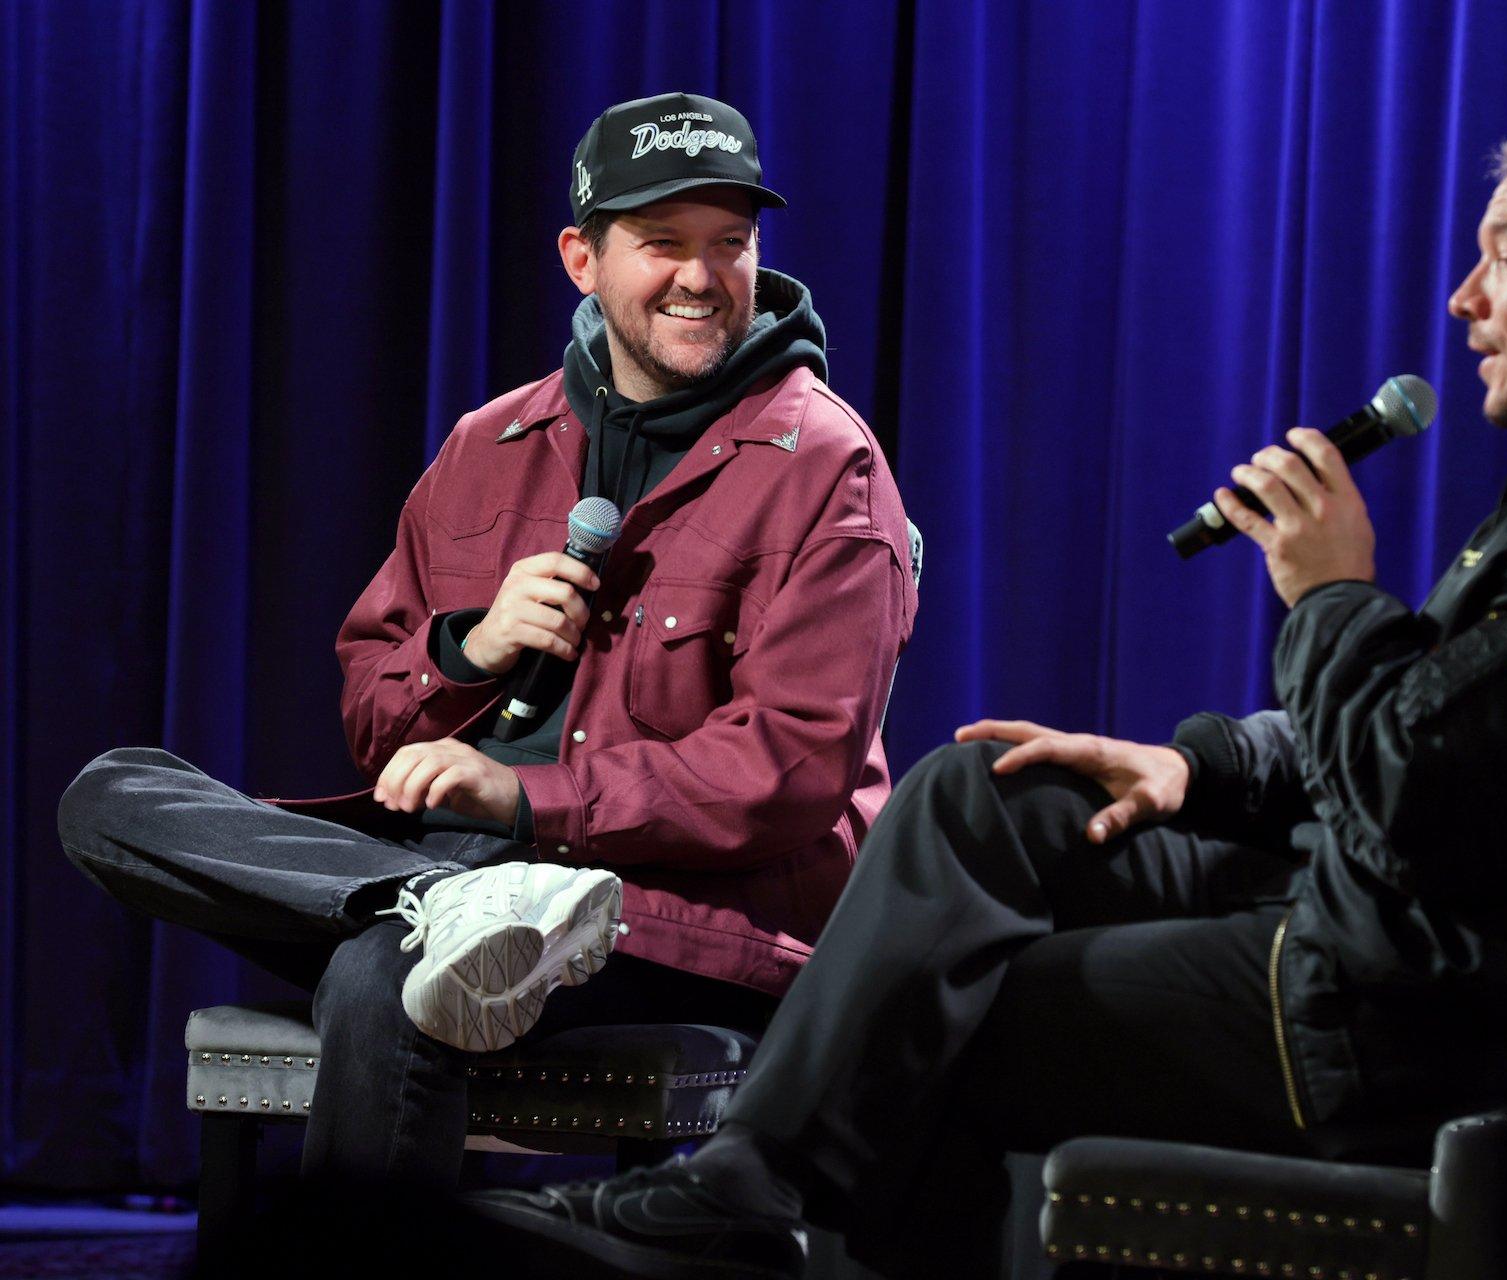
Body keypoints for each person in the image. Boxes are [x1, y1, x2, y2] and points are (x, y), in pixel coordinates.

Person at [475, 117, 1507, 1278]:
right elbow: (1450, 724)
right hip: (1362, 910)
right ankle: (746, 1183)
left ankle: (744, 1203)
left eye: (1506, 254)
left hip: (1386, 1003)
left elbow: (1432, 801)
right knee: (980, 798)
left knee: (946, 1020)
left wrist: (1328, 596)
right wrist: (1197, 768)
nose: (1462, 298)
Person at [56, 92, 917, 1189]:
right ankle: (434, 907)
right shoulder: (488, 444)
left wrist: (524, 802)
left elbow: (790, 767)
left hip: (674, 922)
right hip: (455, 871)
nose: (702, 278)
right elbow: (376, 709)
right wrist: (470, 647)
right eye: (663, 243)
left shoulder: (822, 465)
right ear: (582, 257)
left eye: (730, 245)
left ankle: (427, 927)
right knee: (112, 793)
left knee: (385, 975)